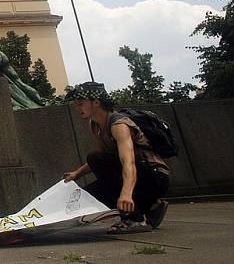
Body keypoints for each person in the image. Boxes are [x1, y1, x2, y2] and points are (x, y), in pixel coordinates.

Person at [63, 82, 170, 234]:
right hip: (137, 175)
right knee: (89, 194)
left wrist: (126, 193)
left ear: (96, 102)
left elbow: (128, 161)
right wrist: (77, 174)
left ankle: (135, 219)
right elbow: (106, 158)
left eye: (81, 104)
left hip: (154, 176)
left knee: (95, 159)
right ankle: (151, 206)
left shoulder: (119, 124)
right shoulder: (95, 125)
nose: (77, 108)